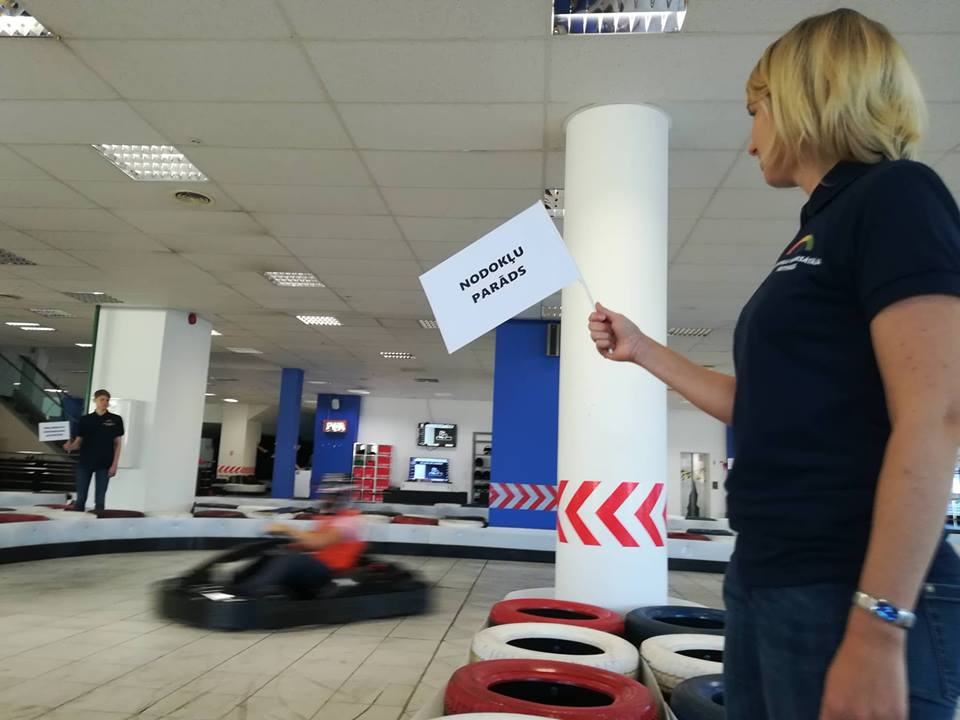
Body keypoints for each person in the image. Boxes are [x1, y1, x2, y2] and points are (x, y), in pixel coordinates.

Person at [588, 9, 960, 720]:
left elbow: (936, 413)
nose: (751, 136)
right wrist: (641, 348)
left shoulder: (897, 195)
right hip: (768, 572)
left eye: (755, 110)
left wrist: (879, 625)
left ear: (804, 99)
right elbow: (765, 405)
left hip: (846, 583)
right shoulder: (814, 232)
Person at [232, 489, 365, 598]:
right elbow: (310, 543)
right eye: (326, 496)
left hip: (331, 573)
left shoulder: (348, 522)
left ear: (341, 499)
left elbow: (320, 542)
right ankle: (237, 584)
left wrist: (288, 529)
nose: (327, 500)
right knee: (274, 553)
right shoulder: (331, 520)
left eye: (331, 497)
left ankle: (250, 592)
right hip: (318, 566)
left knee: (293, 560)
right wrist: (288, 546)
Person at [63, 389, 124, 513]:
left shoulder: (115, 419)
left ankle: (98, 520)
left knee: (100, 499)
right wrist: (69, 447)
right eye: (102, 399)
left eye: (107, 400)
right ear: (95, 400)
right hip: (85, 462)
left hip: (105, 462)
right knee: (81, 498)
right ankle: (77, 520)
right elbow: (78, 443)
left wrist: (114, 464)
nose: (105, 402)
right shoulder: (85, 419)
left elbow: (118, 444)